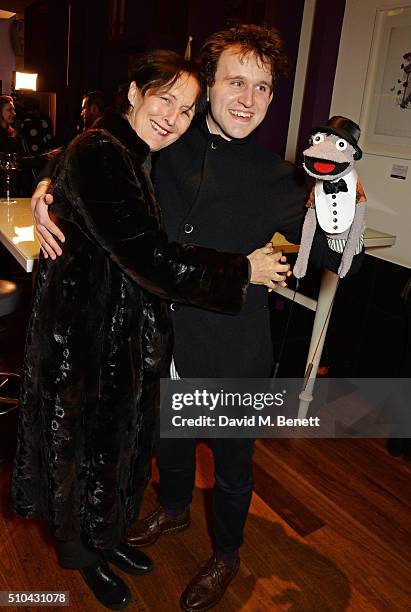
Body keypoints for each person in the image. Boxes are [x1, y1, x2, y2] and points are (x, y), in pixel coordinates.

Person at [31, 25, 306, 612]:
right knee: (165, 445)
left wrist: (343, 217)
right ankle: (175, 512)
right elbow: (94, 153)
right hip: (153, 341)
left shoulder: (282, 178)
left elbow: (331, 250)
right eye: (236, 81)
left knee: (232, 468)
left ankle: (226, 554)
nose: (248, 99)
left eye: (263, 88)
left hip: (231, 349)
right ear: (208, 86)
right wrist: (47, 184)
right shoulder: (166, 138)